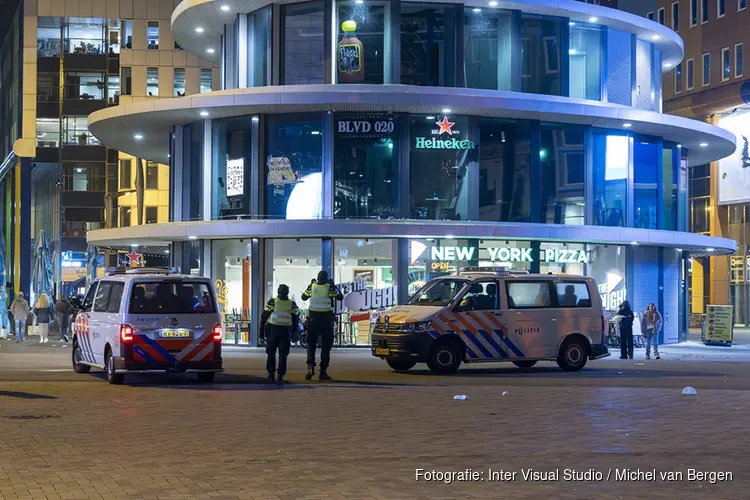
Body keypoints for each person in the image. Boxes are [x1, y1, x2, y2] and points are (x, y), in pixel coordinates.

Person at [301, 270, 343, 381]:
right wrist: (334, 286)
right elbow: (340, 297)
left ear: (317, 277)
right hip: (326, 321)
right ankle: (323, 372)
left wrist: (310, 285)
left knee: (311, 345)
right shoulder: (329, 288)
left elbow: (303, 297)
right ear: (326, 278)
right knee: (326, 347)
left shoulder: (312, 287)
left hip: (313, 320)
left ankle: (310, 368)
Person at [259, 284, 300, 386]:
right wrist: (294, 331)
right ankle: (280, 377)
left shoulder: (272, 302)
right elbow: (296, 318)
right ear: (287, 292)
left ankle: (271, 376)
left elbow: (264, 316)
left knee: (271, 354)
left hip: (273, 331)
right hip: (285, 332)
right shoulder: (292, 304)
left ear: (278, 291)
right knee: (283, 355)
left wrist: (261, 330)